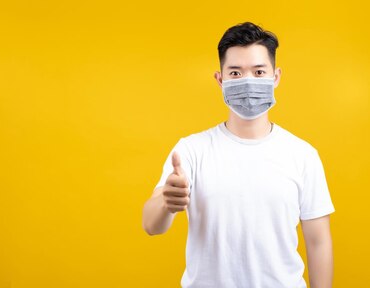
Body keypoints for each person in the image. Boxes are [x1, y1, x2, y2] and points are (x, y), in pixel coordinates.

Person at [142, 22, 334, 288]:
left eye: (258, 71)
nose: (247, 81)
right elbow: (151, 225)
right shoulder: (191, 150)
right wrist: (166, 201)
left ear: (275, 77)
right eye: (235, 72)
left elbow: (318, 242)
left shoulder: (303, 155)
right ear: (220, 79)